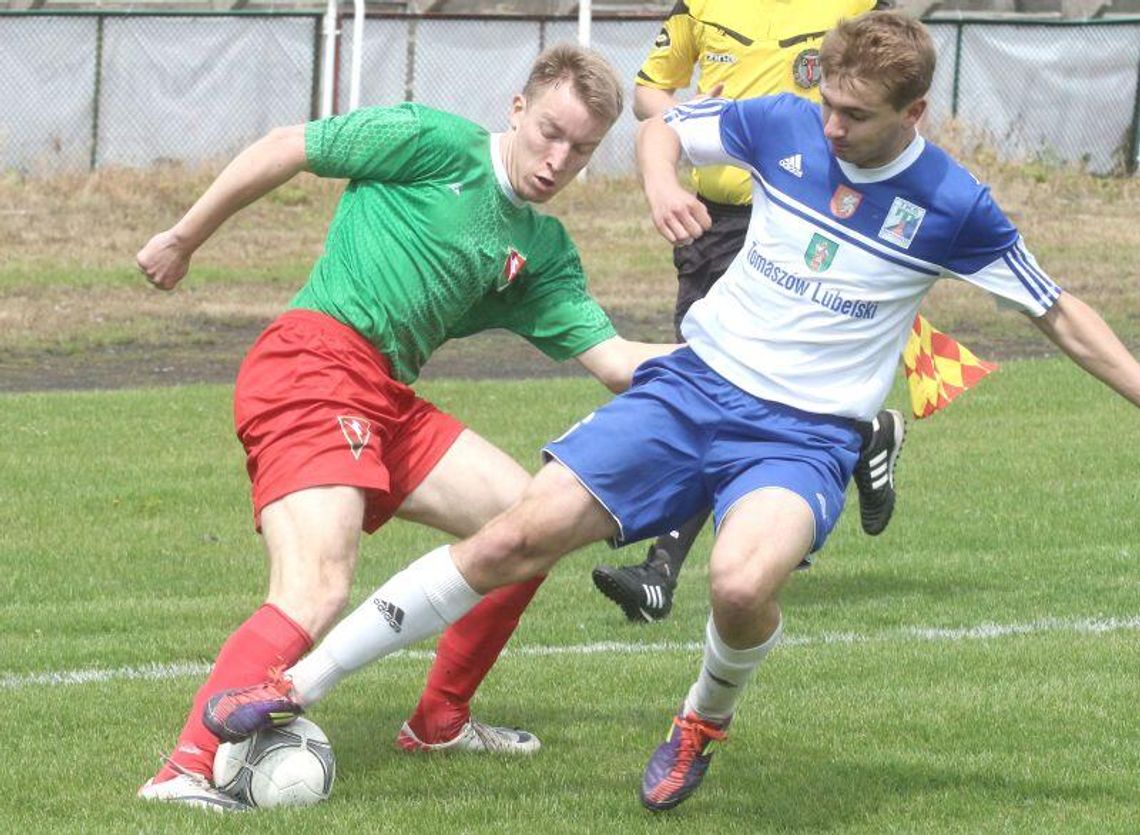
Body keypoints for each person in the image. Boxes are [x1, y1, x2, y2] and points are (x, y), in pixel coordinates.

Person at [201, 10, 1140, 812]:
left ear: (914, 114)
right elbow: (663, 129)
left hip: (803, 434)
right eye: (828, 104)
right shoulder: (783, 122)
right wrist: (661, 182)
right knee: (514, 535)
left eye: (856, 116)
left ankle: (700, 721)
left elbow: (1059, 312)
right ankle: (294, 685)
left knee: (739, 583)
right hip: (693, 391)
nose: (833, 127)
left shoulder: (953, 205)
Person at [135, 44, 675, 811]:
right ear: (518, 109)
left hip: (385, 396)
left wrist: (733, 361)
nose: (558, 159)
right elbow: (287, 146)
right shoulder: (433, 140)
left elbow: (617, 361)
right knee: (317, 585)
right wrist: (184, 238)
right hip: (312, 364)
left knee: (529, 526)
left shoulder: (542, 249)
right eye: (549, 132)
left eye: (581, 149)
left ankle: (438, 721)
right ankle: (185, 769)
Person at [592, 0, 905, 624]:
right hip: (711, 222)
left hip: (797, 218)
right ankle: (859, 434)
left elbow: (894, 86)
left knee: (716, 386)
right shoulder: (700, 5)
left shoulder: (857, 7)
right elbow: (650, 92)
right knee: (710, 382)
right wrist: (683, 119)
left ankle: (659, 571)